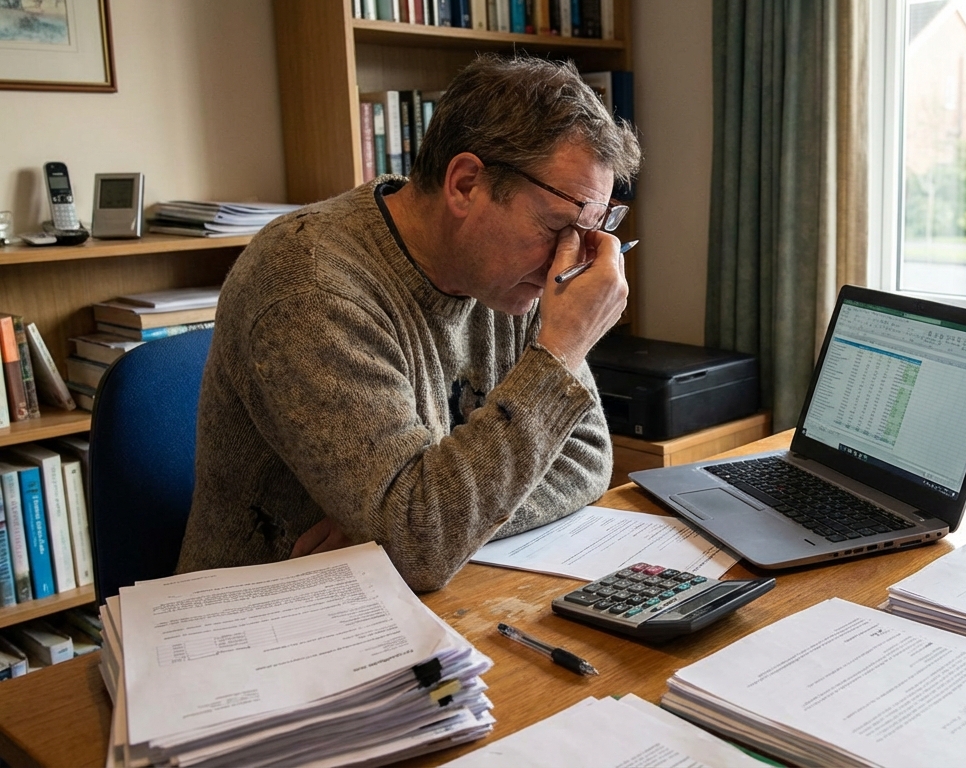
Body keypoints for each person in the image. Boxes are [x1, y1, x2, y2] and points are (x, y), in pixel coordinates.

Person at [176, 55, 642, 591]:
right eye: (559, 225)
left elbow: (585, 459)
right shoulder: (308, 284)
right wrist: (561, 351)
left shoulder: (512, 272)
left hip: (398, 595)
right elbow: (418, 541)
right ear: (466, 183)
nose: (572, 259)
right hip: (259, 620)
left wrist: (427, 526)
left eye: (589, 232)